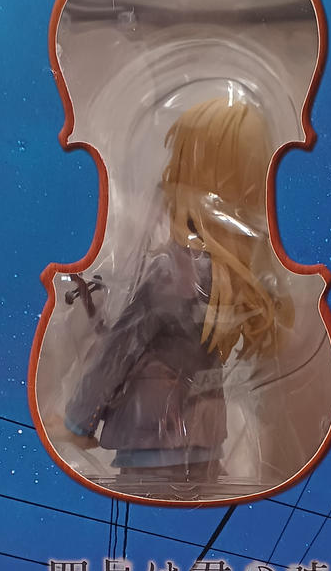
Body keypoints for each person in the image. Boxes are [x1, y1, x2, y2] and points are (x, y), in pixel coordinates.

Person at [60, 97, 293, 491]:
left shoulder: (174, 271)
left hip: (149, 438)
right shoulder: (233, 276)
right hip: (206, 440)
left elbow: (119, 350)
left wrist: (77, 422)